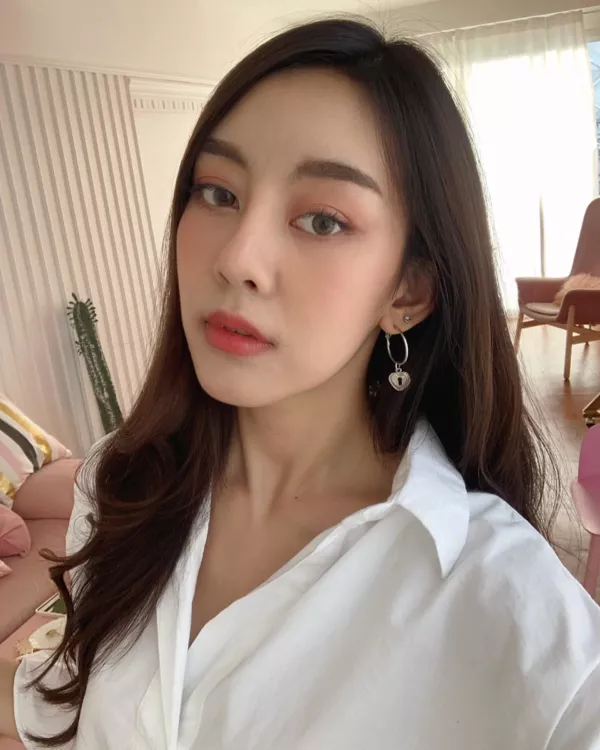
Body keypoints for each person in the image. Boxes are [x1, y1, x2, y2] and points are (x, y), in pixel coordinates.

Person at [1, 16, 599, 749]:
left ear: (408, 291)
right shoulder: (120, 483)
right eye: (217, 193)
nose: (237, 258)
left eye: (322, 220)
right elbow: (74, 701)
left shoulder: (515, 612)